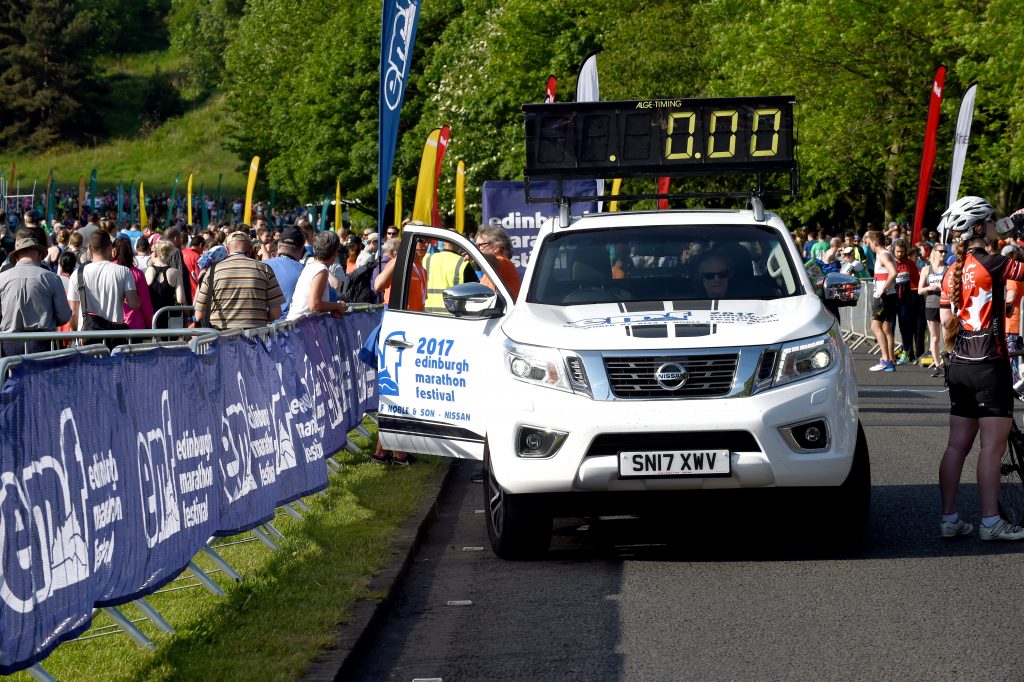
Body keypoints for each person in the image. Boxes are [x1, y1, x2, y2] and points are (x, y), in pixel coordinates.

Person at [938, 196, 1024, 541]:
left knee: (956, 446)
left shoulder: (951, 271)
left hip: (959, 362)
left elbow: (946, 319)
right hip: (990, 363)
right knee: (992, 447)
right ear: (978, 227)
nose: (994, 225)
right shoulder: (995, 264)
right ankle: (991, 521)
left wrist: (1008, 225)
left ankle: (950, 518)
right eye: (990, 221)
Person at [193, 231, 284, 330]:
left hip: (220, 338)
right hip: (255, 339)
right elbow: (276, 313)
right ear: (250, 249)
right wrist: (258, 317)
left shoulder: (212, 271)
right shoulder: (265, 269)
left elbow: (199, 315)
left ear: (227, 250)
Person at [0, 235, 73, 356]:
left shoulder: (2, 277)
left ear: (17, 257)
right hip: (42, 345)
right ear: (39, 256)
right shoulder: (51, 278)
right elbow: (64, 316)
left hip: (8, 344)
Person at [67, 231, 141, 332]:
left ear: (89, 248)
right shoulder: (123, 271)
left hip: (86, 335)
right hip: (113, 334)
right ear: (110, 247)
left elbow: (73, 313)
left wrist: (76, 332)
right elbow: (134, 304)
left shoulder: (77, 274)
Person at [287, 231, 349, 321]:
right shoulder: (321, 270)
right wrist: (338, 305)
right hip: (302, 328)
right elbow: (314, 305)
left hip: (299, 327)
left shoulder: (311, 266)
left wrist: (332, 308)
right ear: (335, 252)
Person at [864, 231, 898, 372]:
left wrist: (882, 289)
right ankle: (889, 360)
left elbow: (893, 272)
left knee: (875, 327)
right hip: (888, 296)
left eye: (869, 243)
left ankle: (885, 360)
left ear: (875, 243)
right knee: (885, 328)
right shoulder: (883, 254)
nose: (869, 246)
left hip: (884, 297)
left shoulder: (883, 255)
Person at [919, 241, 948, 377]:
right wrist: (929, 288)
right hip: (931, 305)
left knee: (947, 337)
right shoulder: (926, 269)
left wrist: (942, 289)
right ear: (934, 253)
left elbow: (953, 289)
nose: (943, 253)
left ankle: (948, 363)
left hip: (945, 305)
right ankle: (937, 366)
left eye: (945, 252)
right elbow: (919, 290)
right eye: (940, 251)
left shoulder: (948, 269)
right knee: (935, 338)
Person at [264, 227, 306, 321]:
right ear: (302, 249)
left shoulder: (261, 266)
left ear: (279, 245)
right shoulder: (306, 272)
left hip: (259, 331)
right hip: (290, 331)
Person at [113, 237, 154, 329]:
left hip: (112, 324)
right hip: (134, 324)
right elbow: (145, 303)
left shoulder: (108, 271)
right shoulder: (137, 274)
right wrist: (151, 325)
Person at [146, 240, 187, 328]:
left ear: (155, 253)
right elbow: (181, 299)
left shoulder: (148, 271)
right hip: (169, 316)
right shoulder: (176, 273)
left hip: (152, 316)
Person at [891, 239, 921, 364]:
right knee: (889, 328)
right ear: (893, 251)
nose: (899, 254)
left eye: (902, 252)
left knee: (905, 328)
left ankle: (906, 352)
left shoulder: (910, 264)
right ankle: (889, 354)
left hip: (905, 300)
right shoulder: (889, 262)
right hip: (891, 299)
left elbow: (917, 281)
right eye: (897, 251)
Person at [476, 226, 522, 300]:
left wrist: (475, 254)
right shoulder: (491, 268)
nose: (478, 249)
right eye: (476, 246)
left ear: (496, 248)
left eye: (480, 245)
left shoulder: (503, 262)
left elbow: (493, 260)